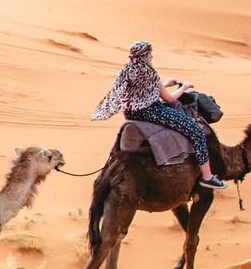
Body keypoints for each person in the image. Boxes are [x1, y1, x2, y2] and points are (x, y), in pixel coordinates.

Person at [93, 41, 225, 189]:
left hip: (131, 114)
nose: (151, 57)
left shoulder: (126, 71)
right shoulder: (150, 72)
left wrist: (164, 84)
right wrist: (184, 87)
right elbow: (168, 98)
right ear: (145, 55)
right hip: (151, 112)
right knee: (195, 131)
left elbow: (141, 92)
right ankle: (207, 177)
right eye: (150, 54)